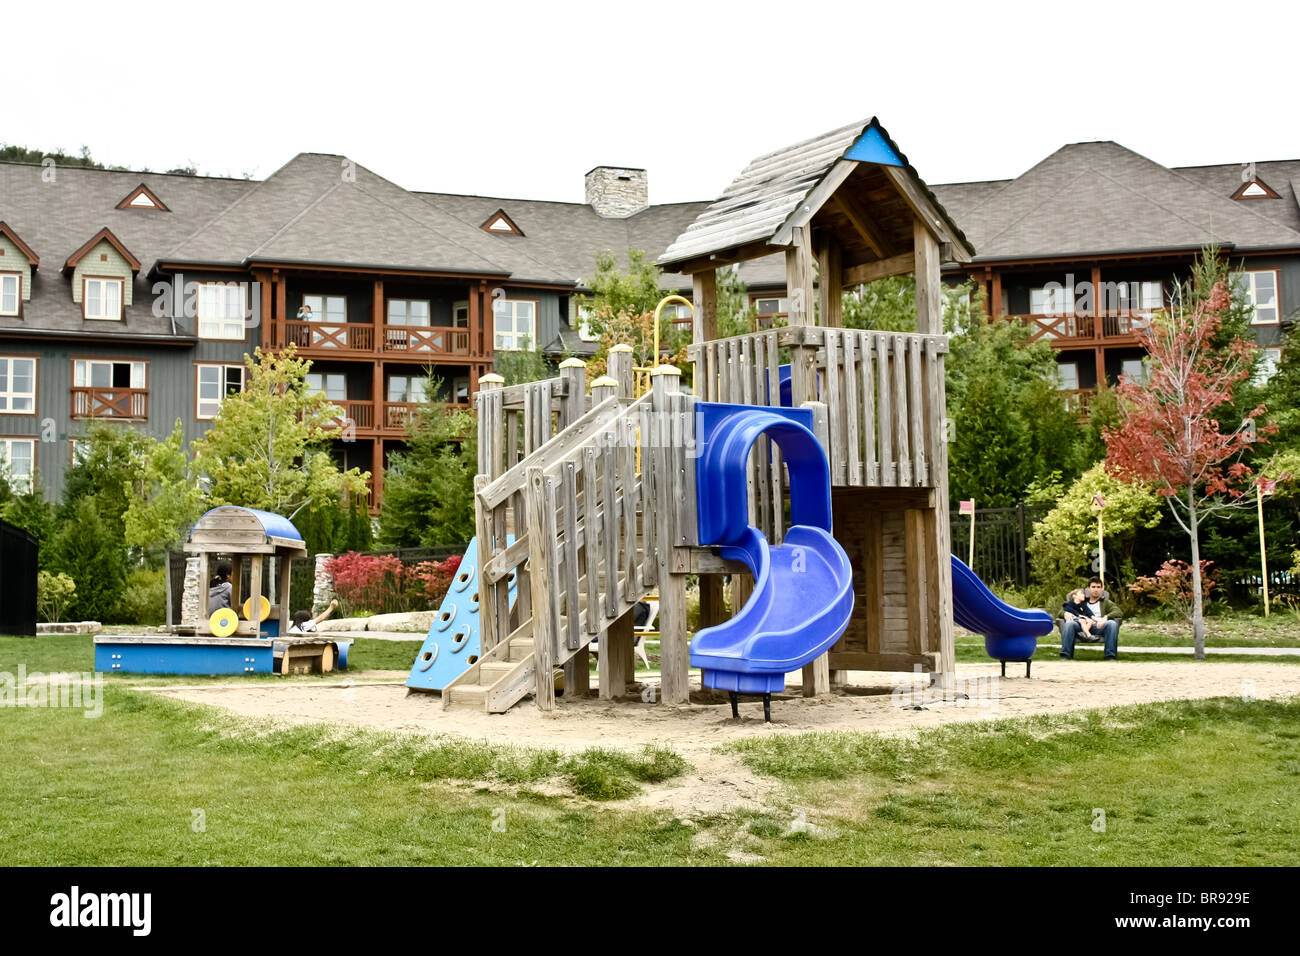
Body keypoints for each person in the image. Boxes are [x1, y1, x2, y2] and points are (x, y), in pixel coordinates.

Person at [1060, 577, 1122, 660]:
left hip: (1098, 626)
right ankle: (1066, 655)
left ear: (1101, 589)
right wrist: (1065, 613)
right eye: (1093, 587)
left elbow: (1118, 611)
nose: (1096, 589)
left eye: (1098, 587)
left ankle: (1110, 656)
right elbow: (1061, 610)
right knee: (1069, 624)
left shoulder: (1106, 602)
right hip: (1080, 626)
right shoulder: (1081, 601)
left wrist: (1105, 618)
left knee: (1112, 624)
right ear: (1088, 589)